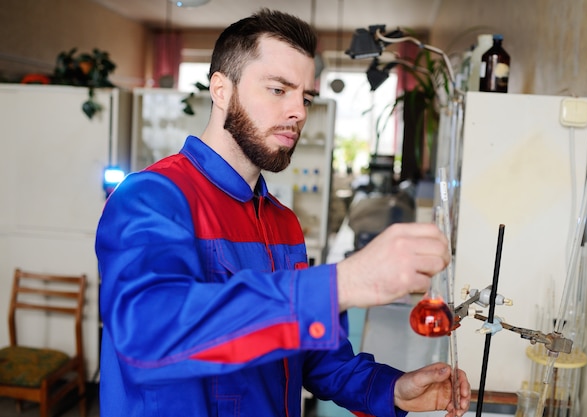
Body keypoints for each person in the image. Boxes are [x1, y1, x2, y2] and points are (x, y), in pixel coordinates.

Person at [95, 8, 471, 417]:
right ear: (221, 89)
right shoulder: (152, 197)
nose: (299, 112)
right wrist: (341, 283)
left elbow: (307, 356)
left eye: (305, 97)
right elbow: (147, 333)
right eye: (278, 90)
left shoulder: (283, 223)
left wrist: (392, 388)